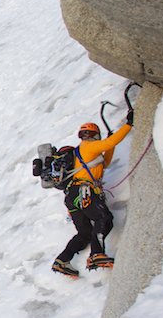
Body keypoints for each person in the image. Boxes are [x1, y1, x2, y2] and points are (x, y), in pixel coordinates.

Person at [51, 110, 133, 278]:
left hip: (72, 197)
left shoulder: (86, 153)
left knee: (84, 233)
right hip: (84, 192)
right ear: (95, 135)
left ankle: (62, 260)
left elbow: (105, 162)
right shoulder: (88, 146)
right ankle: (96, 254)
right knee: (104, 219)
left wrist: (111, 144)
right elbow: (109, 143)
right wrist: (128, 125)